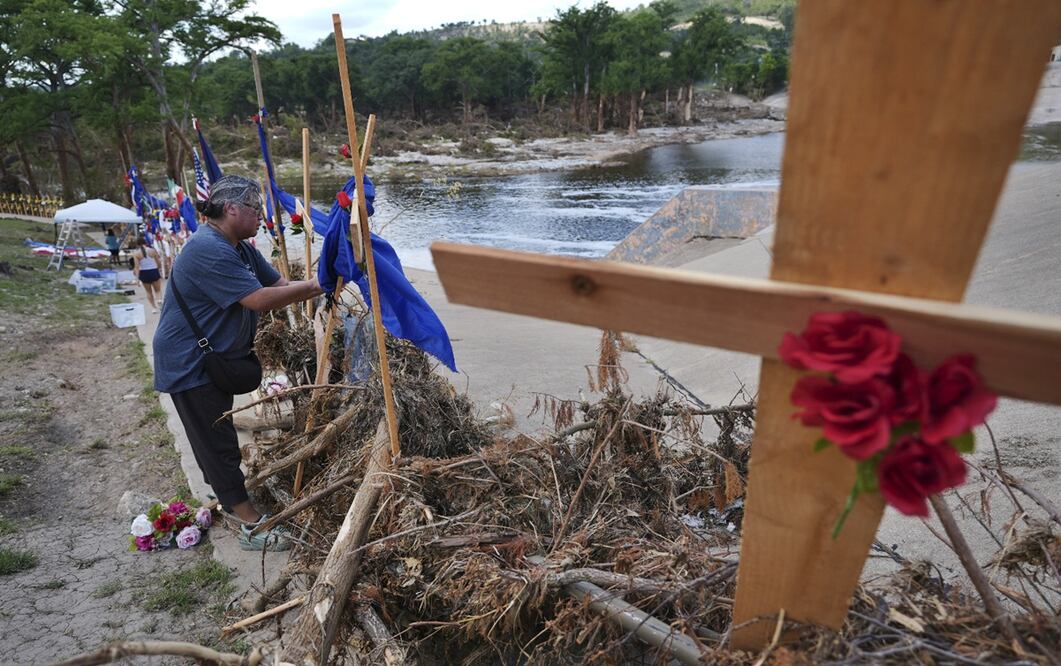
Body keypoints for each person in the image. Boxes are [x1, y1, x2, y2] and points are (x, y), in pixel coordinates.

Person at [152, 175, 322, 551]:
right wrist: (315, 285)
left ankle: (231, 497)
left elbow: (277, 284)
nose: (262, 215)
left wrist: (319, 275)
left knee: (217, 436)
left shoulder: (239, 247)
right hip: (189, 362)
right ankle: (248, 524)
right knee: (217, 443)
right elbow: (260, 300)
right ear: (231, 209)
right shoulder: (207, 248)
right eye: (255, 208)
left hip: (211, 359)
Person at [133, 238, 164, 313]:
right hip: (153, 271)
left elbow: (137, 267)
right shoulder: (152, 250)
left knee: (148, 291)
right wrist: (159, 269)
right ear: (145, 243)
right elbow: (158, 262)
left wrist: (137, 279)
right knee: (158, 290)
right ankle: (159, 300)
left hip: (144, 273)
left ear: (137, 244)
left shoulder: (136, 253)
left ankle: (154, 308)